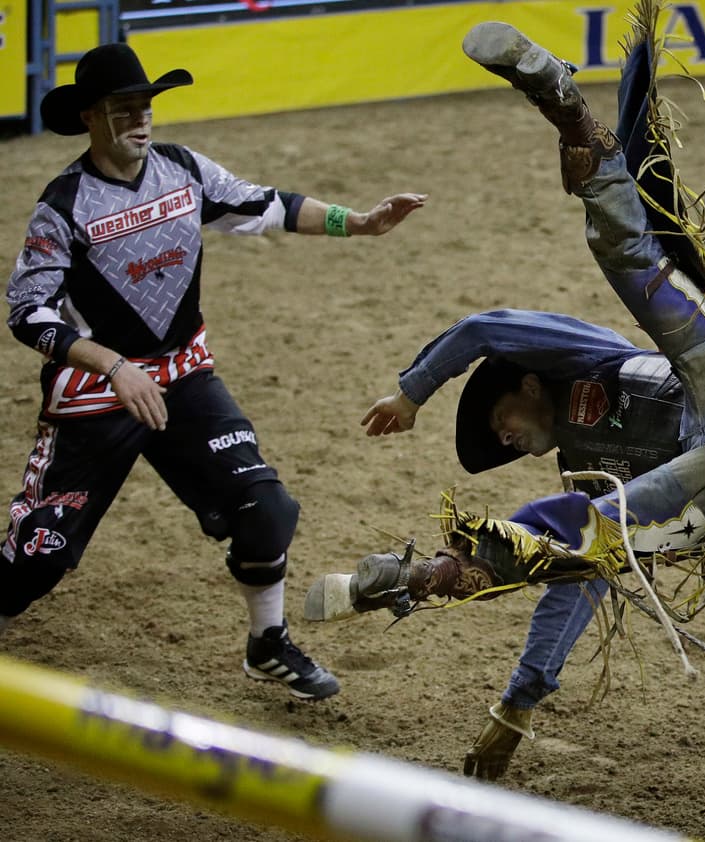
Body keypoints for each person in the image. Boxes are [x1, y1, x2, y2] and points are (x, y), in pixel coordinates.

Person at [303, 21, 705, 778]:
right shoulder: (586, 479)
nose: (503, 440)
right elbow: (579, 577)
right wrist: (518, 703)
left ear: (528, 384)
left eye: (497, 420)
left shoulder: (581, 358)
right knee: (573, 542)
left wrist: (412, 392)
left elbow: (485, 328)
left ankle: (568, 110)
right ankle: (423, 579)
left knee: (627, 254)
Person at [2, 43, 425, 700]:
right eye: (123, 108)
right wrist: (114, 366)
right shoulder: (62, 206)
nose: (141, 119)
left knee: (268, 511)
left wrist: (361, 224)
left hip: (182, 375)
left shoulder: (182, 169)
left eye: (146, 106)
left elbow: (269, 204)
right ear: (89, 117)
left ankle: (268, 643)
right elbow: (27, 312)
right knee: (35, 562)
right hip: (95, 392)